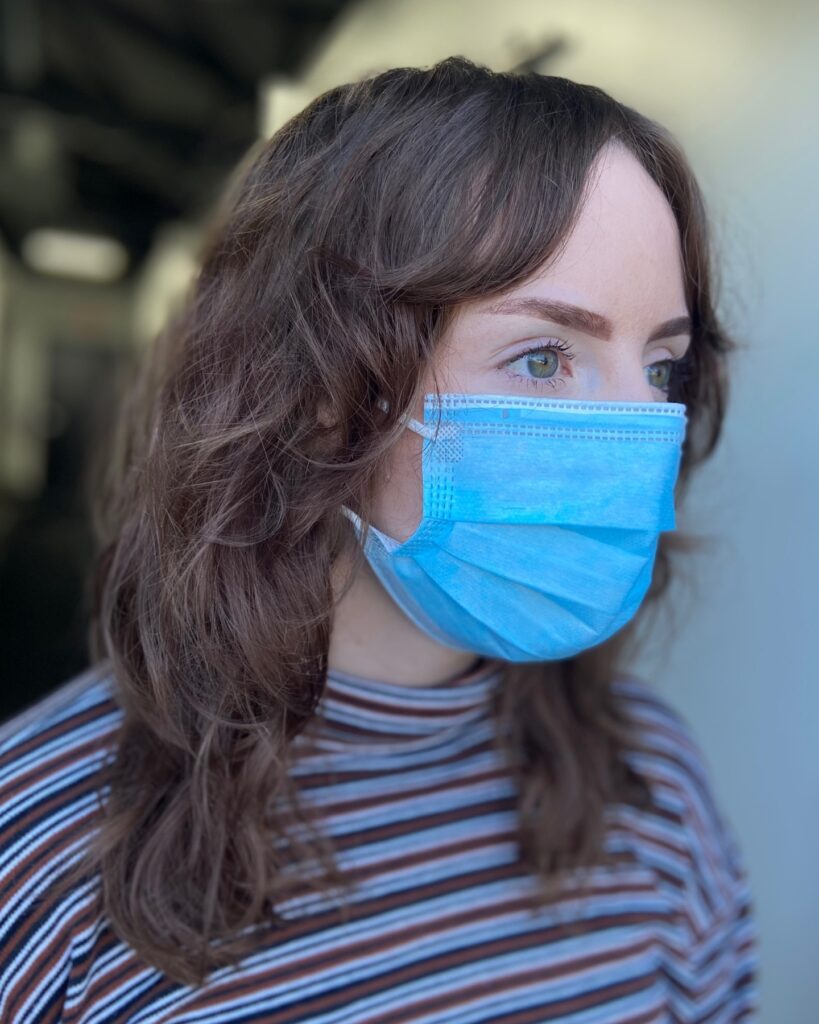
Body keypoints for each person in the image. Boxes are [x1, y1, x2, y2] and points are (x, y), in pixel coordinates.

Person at [0, 55, 758, 1022]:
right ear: (322, 390)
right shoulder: (40, 846)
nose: (632, 434)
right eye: (541, 356)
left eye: (660, 367)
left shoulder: (653, 784)